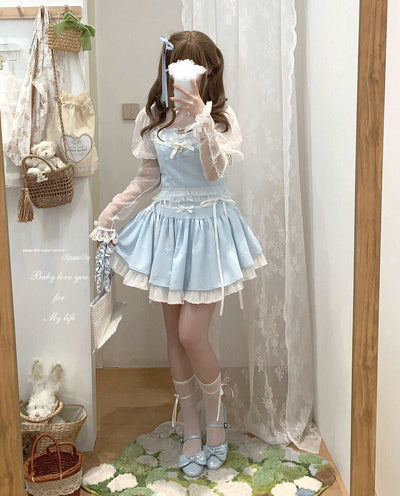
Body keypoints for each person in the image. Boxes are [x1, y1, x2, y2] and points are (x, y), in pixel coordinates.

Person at [89, 30, 268, 477]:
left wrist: (202, 119)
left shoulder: (220, 118)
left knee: (191, 334)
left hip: (208, 232)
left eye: (194, 69)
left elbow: (214, 172)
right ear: (168, 70)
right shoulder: (156, 116)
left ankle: (216, 423)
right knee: (173, 336)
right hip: (167, 231)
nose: (184, 79)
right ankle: (190, 426)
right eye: (177, 70)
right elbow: (148, 176)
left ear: (208, 73)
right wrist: (110, 212)